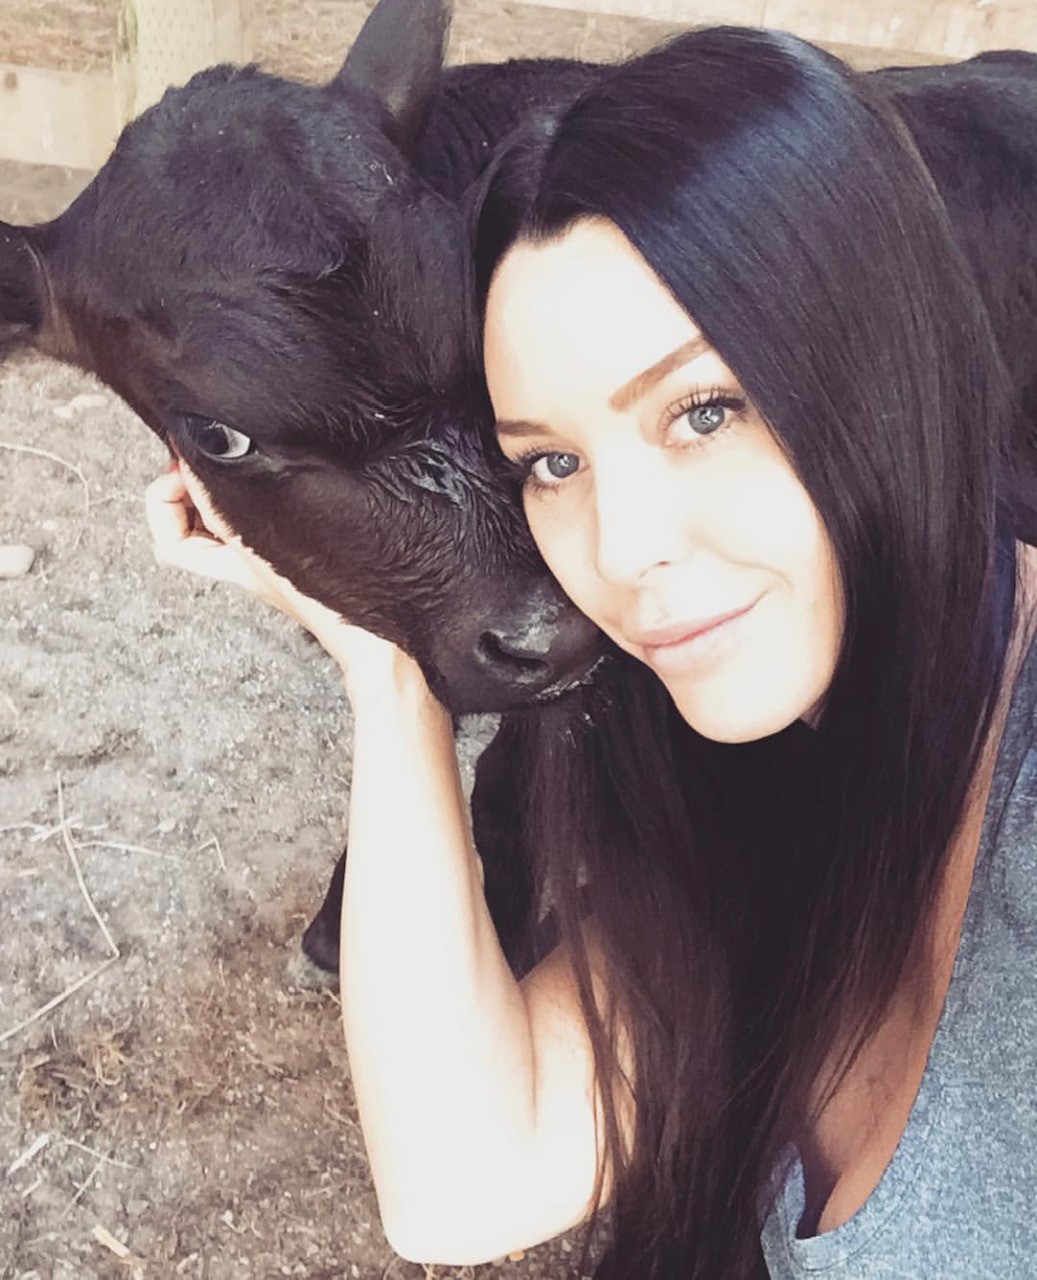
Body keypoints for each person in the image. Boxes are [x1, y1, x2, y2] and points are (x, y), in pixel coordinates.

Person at [145, 26, 1037, 1280]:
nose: (620, 550)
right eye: (552, 461)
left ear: (891, 355)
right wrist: (381, 659)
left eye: (704, 410)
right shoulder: (766, 771)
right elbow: (463, 1179)